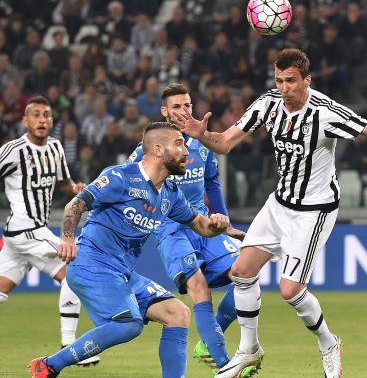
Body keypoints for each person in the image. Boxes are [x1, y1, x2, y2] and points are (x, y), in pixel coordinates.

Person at [173, 48, 367, 378]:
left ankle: (328, 343)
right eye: (279, 80)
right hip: (279, 204)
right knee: (241, 272)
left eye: (291, 81)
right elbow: (224, 143)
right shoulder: (268, 104)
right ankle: (248, 350)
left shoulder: (325, 113)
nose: (284, 88)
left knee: (290, 290)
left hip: (314, 211)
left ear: (306, 80)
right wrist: (201, 135)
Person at [28, 122, 230, 378]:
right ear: (158, 149)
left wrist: (216, 224)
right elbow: (75, 204)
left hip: (122, 273)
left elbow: (201, 225)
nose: (186, 152)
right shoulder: (120, 177)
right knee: (129, 324)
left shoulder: (170, 193)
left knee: (177, 313)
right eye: (179, 144)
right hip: (91, 265)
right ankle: (49, 365)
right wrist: (67, 238)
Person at [128, 83, 245, 372]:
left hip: (204, 224)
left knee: (246, 276)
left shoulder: (204, 146)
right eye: (176, 107)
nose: (183, 112)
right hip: (171, 231)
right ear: (164, 111)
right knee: (199, 289)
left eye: (188, 106)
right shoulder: (147, 152)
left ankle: (209, 339)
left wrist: (225, 221)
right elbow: (128, 187)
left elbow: (212, 183)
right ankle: (224, 364)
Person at [0, 96, 99, 366]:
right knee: (74, 273)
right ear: (25, 120)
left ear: (52, 121)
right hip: (26, 229)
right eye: (36, 115)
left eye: (46, 115)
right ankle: (69, 345)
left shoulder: (55, 148)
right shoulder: (13, 150)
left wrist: (77, 189)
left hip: (20, 238)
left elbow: (63, 182)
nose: (41, 120)